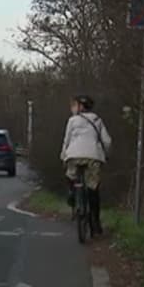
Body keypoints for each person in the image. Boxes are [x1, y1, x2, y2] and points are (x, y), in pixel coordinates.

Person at [60, 94, 112, 234]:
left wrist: (63, 156)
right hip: (93, 157)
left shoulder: (72, 120)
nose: (72, 108)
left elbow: (67, 140)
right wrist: (105, 155)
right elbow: (107, 141)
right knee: (93, 188)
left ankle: (72, 193)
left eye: (74, 105)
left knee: (70, 175)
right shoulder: (97, 120)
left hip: (74, 156)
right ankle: (95, 222)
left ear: (80, 107)